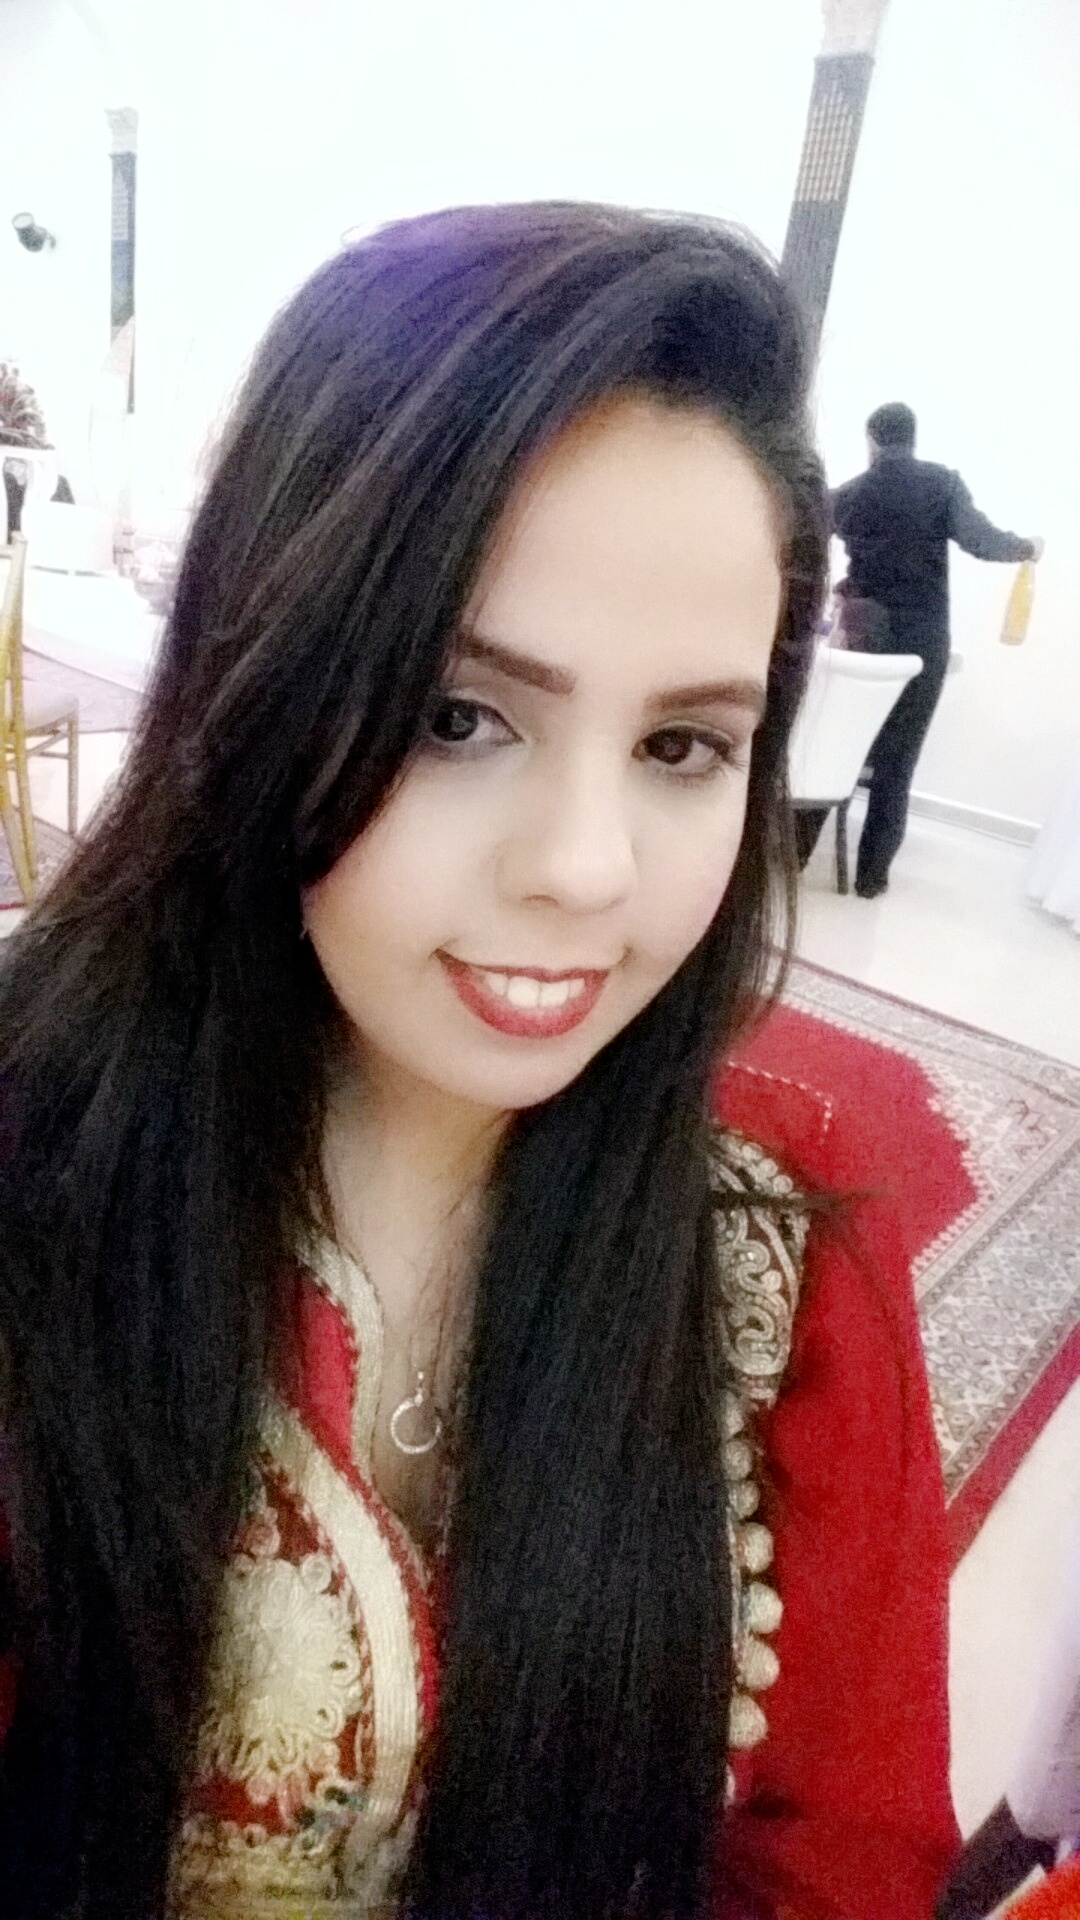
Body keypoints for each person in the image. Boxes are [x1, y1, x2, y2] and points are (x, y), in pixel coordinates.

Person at [0, 204, 958, 1919]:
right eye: (462, 717)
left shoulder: (787, 1238)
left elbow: (844, 1858)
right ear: (261, 675)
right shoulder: (35, 1170)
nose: (585, 869)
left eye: (685, 744)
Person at [821, 402, 1042, 896]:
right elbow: (981, 539)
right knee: (897, 763)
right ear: (913, 438)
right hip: (921, 642)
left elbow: (804, 527)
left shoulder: (851, 493)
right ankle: (871, 879)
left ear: (871, 440)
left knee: (838, 743)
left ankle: (797, 854)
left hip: (863, 635)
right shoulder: (942, 484)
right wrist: (1026, 548)